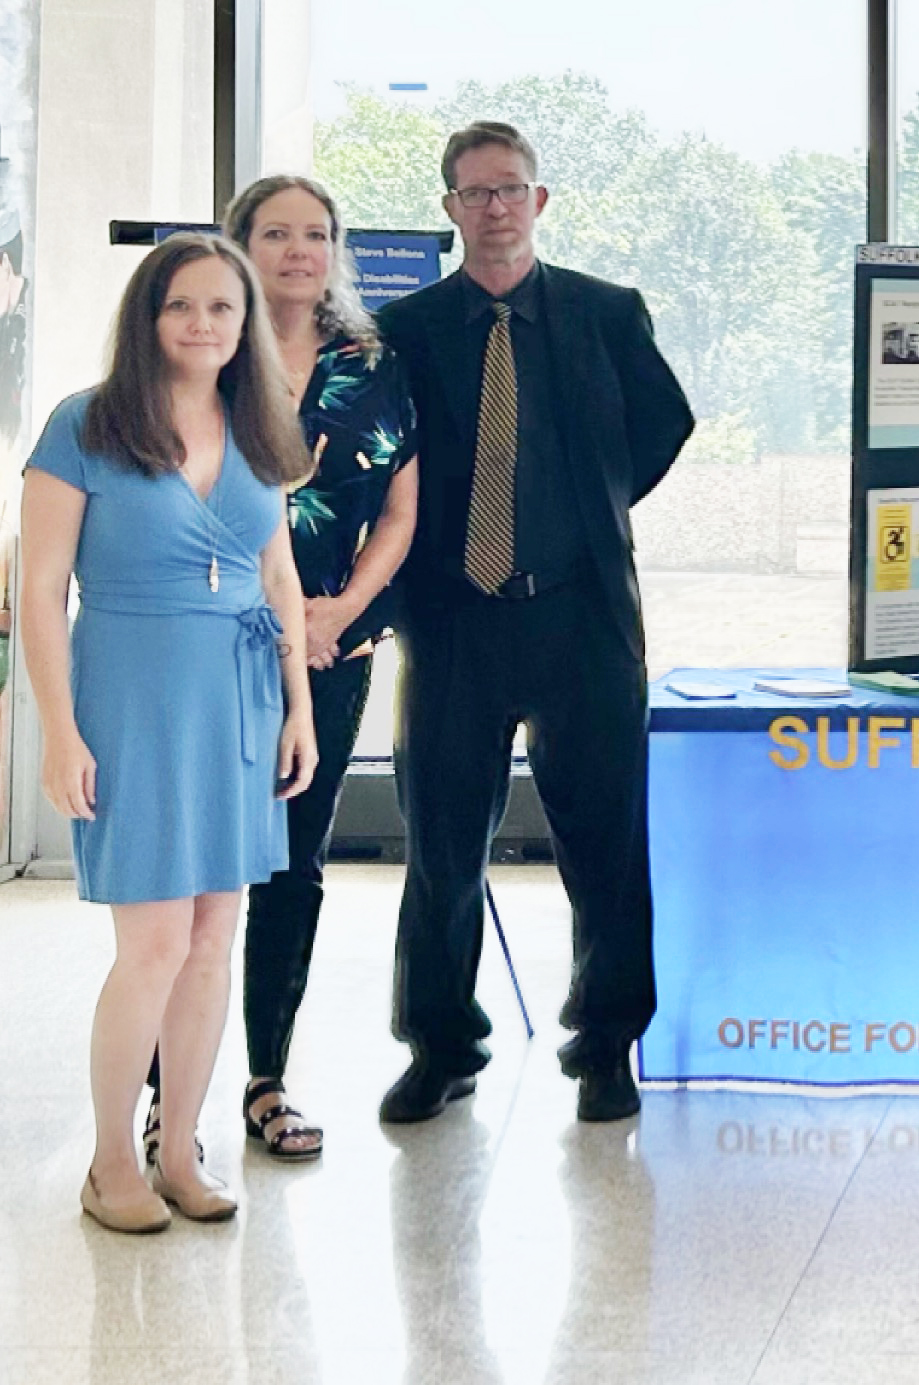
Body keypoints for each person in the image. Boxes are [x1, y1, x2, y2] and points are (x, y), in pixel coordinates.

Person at [372, 121, 693, 1125]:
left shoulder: (606, 313)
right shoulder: (409, 329)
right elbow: (384, 459)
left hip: (581, 617)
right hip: (455, 623)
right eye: (475, 192)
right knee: (441, 846)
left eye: (511, 189)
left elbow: (662, 426)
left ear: (540, 201)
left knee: (603, 841)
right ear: (450, 209)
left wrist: (581, 513)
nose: (496, 207)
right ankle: (441, 1044)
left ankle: (604, 1043)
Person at [20, 233, 318, 1232]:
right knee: (149, 941)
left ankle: (181, 1147)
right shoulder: (86, 424)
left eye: (223, 308)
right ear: (148, 318)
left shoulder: (257, 426)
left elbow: (278, 577)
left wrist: (300, 708)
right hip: (133, 696)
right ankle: (111, 1163)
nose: (203, 323)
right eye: (182, 305)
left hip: (238, 699)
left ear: (244, 326)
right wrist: (59, 731)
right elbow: (40, 588)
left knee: (210, 937)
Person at [141, 175, 419, 1164]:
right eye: (275, 232)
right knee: (183, 869)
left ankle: (266, 1077)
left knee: (290, 865)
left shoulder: (375, 360)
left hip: (329, 650)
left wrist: (336, 612)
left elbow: (399, 509)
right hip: (197, 651)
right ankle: (166, 1093)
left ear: (335, 250)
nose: (297, 250)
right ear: (239, 244)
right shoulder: (203, 355)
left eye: (316, 234)